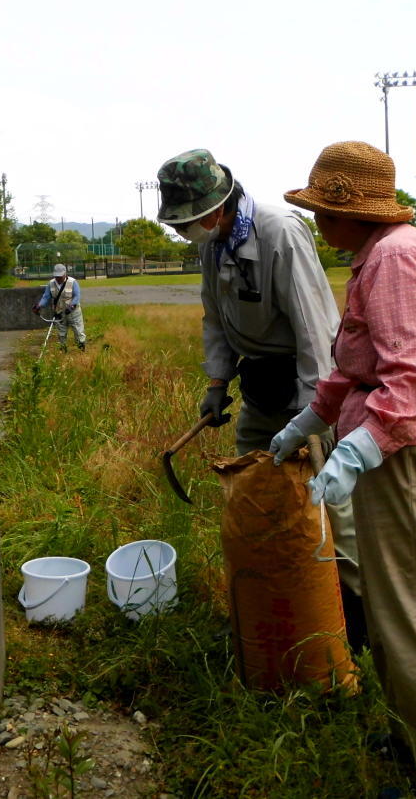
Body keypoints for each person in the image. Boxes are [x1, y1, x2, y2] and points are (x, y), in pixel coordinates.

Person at [270, 141, 416, 799]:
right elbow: (354, 368)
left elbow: (412, 379)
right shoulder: (376, 259)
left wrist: (356, 451)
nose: (315, 222)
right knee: (393, 612)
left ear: (351, 213)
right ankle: (413, 742)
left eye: (321, 210)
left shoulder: (395, 258)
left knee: (414, 619)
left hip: (414, 458)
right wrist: (309, 422)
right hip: (396, 456)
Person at [155, 149, 374, 651]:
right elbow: (216, 320)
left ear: (217, 207)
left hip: (305, 389)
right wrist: (216, 385)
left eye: (186, 222)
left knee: (329, 506)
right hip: (259, 390)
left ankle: (358, 625)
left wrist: (314, 412)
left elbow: (315, 327)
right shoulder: (211, 247)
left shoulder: (280, 232)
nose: (182, 232)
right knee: (256, 489)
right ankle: (278, 601)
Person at [33, 264, 85, 351]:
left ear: (65, 273)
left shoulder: (73, 282)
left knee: (78, 331)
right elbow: (46, 297)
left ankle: (81, 349)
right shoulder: (51, 284)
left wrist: (72, 305)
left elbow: (77, 296)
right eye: (57, 276)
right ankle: (63, 350)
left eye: (60, 275)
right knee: (61, 333)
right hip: (59, 312)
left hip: (73, 312)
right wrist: (39, 305)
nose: (58, 278)